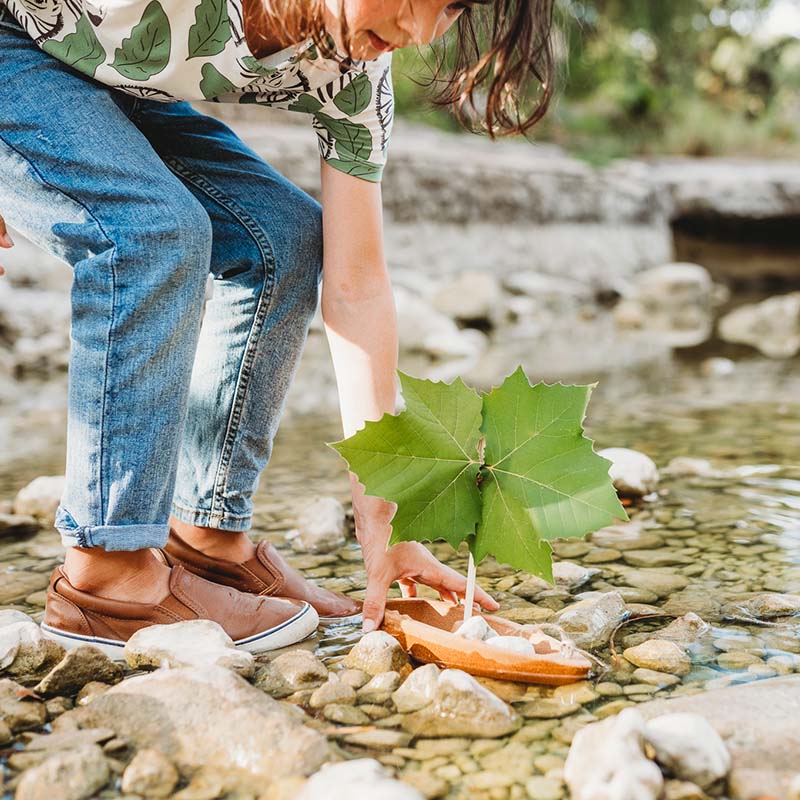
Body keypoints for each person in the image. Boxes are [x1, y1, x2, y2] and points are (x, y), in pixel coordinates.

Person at [0, 0, 554, 655]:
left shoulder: (352, 72)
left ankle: (204, 536)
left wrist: (389, 518)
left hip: (106, 84)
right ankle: (108, 577)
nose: (426, 31)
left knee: (283, 238)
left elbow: (357, 289)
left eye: (456, 9)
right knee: (154, 232)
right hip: (17, 51)